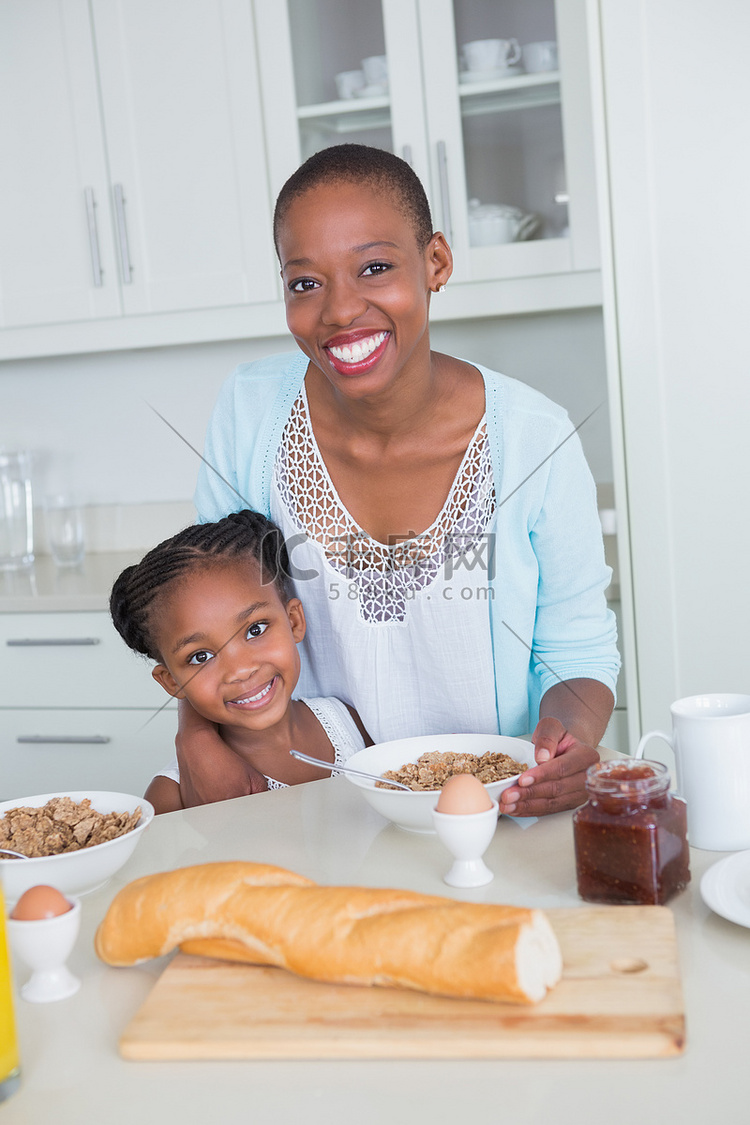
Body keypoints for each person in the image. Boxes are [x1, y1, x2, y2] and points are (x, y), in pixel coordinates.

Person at [177, 142, 620, 816]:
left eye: (375, 267)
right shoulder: (249, 412)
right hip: (309, 803)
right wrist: (194, 735)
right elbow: (199, 608)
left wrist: (567, 740)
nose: (339, 310)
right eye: (305, 282)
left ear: (435, 262)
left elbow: (577, 649)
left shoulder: (537, 437)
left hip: (494, 810)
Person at [109, 509, 369, 814]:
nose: (241, 669)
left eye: (255, 630)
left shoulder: (348, 722)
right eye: (200, 656)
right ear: (171, 681)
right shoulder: (171, 796)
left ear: (294, 620)